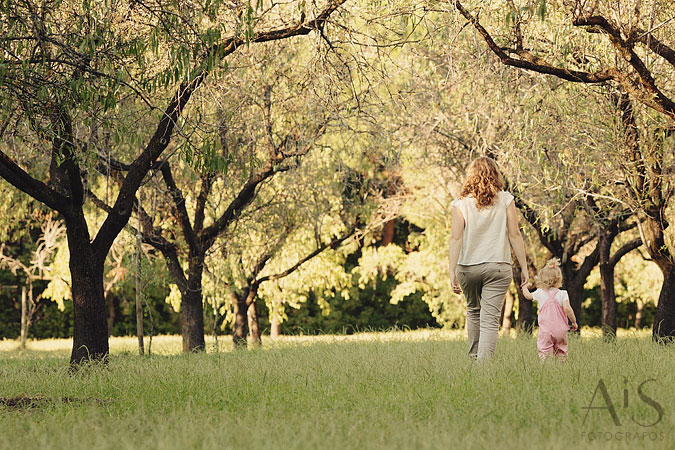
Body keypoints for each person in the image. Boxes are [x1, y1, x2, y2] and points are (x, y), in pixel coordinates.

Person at [449, 156, 529, 360]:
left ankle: (474, 361)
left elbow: (456, 238)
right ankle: (483, 369)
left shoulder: (461, 204)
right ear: (496, 174)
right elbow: (515, 235)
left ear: (470, 176)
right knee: (490, 320)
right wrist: (525, 269)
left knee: (474, 312)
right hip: (497, 266)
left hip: (468, 267)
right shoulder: (505, 199)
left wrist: (452, 272)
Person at [522, 259, 578, 360]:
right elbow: (567, 308)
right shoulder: (563, 293)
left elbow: (527, 296)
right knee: (562, 352)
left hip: (546, 332)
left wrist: (524, 286)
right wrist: (573, 322)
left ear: (542, 279)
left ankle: (548, 370)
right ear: (559, 279)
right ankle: (561, 369)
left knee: (545, 352)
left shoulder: (539, 293)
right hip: (561, 331)